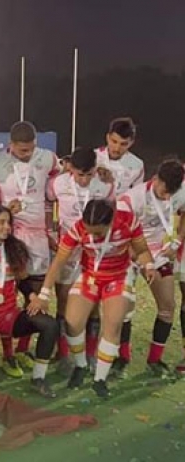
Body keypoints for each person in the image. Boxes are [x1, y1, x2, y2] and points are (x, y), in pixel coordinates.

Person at [30, 199, 157, 398]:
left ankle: (100, 380)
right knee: (72, 322)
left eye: (97, 232)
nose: (91, 235)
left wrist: (148, 266)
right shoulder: (79, 228)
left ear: (110, 222)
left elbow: (141, 250)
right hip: (90, 276)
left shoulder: (128, 222)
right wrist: (44, 293)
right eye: (89, 231)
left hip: (118, 277)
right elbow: (59, 262)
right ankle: (80, 365)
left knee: (113, 325)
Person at [0, 121, 60, 377]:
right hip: (9, 238)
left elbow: (57, 188)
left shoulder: (49, 159)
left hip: (38, 238)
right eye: (21, 150)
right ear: (11, 144)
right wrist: (7, 212)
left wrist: (51, 230)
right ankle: (7, 355)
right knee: (6, 300)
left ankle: (22, 350)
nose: (26, 154)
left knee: (36, 299)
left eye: (30, 149)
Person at [0, 204, 59, 397]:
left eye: (9, 223)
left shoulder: (14, 250)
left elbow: (24, 280)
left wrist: (33, 297)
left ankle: (38, 378)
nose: (7, 227)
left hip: (8, 317)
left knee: (49, 325)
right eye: (1, 222)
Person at [46, 147, 114, 371]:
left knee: (93, 301)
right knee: (63, 299)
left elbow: (111, 213)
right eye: (79, 174)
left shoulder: (104, 185)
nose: (84, 180)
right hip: (68, 248)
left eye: (89, 174)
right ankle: (63, 353)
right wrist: (50, 230)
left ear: (96, 170)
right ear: (70, 169)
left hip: (93, 251)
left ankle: (91, 353)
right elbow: (48, 203)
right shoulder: (58, 183)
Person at [116, 160, 185, 378]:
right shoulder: (131, 199)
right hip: (128, 253)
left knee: (167, 306)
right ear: (156, 179)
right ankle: (122, 357)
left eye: (170, 194)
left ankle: (155, 359)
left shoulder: (180, 191)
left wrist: (177, 242)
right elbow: (120, 235)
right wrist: (141, 260)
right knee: (124, 309)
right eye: (164, 191)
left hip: (158, 254)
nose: (167, 198)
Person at [95, 117, 145, 374]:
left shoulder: (136, 166)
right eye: (114, 141)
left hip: (122, 240)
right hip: (94, 240)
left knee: (123, 299)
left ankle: (121, 354)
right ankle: (88, 352)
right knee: (89, 298)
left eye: (123, 144)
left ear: (131, 143)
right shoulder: (93, 159)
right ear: (107, 137)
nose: (116, 148)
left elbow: (138, 205)